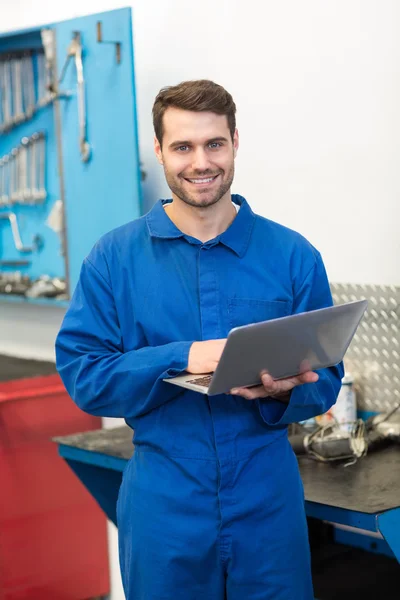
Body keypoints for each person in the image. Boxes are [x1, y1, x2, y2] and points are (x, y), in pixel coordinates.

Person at [55, 79, 343, 600]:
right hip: (165, 501)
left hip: (267, 500)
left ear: (235, 142)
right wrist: (185, 356)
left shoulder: (293, 256)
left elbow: (326, 378)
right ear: (161, 151)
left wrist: (286, 390)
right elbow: (85, 376)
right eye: (183, 147)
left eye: (214, 144)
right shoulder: (114, 259)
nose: (200, 162)